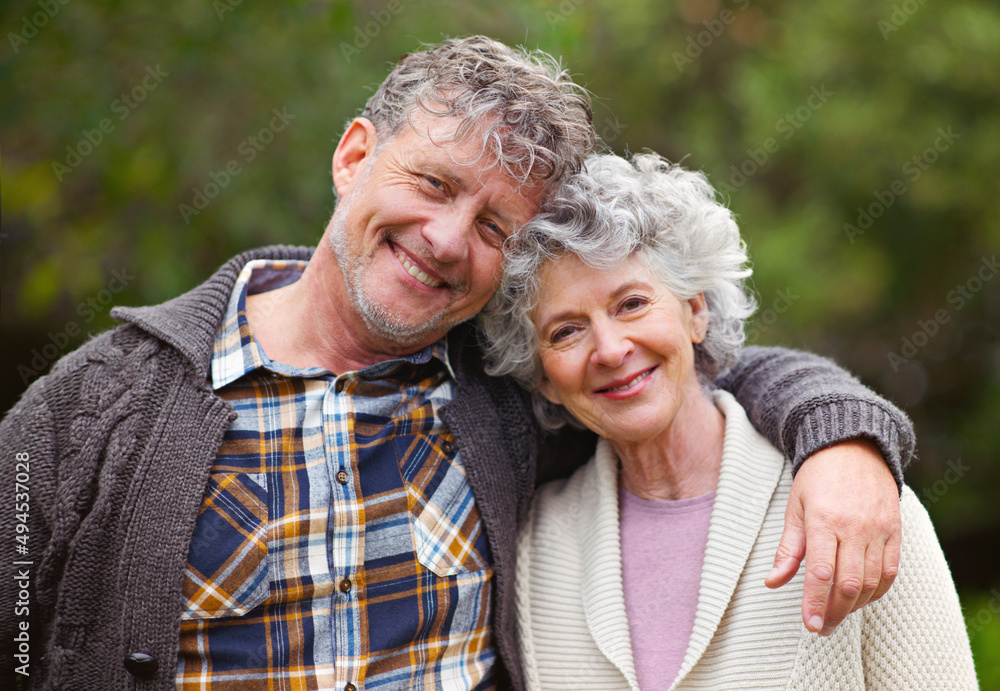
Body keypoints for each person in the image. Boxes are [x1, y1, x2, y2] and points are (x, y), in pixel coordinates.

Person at [0, 37, 913, 690]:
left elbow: (675, 373)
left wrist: (844, 443)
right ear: (354, 156)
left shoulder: (504, 396)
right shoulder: (93, 409)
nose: (445, 240)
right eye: (433, 184)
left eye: (492, 227)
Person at [479, 152, 977, 690]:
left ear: (695, 311)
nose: (610, 348)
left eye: (631, 304)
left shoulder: (855, 502)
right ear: (545, 379)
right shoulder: (536, 547)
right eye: (566, 332)